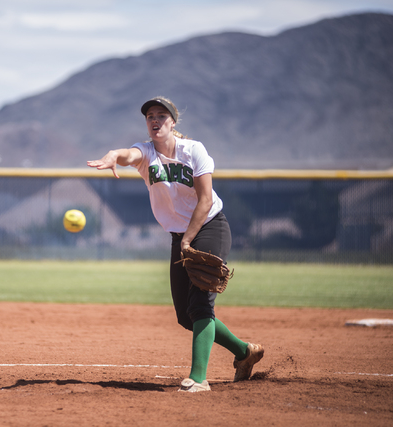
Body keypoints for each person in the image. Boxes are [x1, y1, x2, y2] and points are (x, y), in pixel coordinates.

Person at [87, 96, 264, 393]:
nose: (155, 120)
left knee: (200, 304)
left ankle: (198, 378)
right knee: (185, 316)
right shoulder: (145, 153)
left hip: (209, 226)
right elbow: (128, 154)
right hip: (181, 237)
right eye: (150, 116)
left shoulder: (193, 150)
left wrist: (188, 240)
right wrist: (113, 156)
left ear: (173, 122)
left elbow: (205, 199)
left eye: (161, 115)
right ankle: (245, 352)